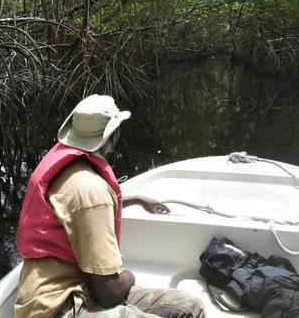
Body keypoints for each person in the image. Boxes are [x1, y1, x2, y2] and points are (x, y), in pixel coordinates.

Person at [15, 94, 205, 318]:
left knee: (189, 306)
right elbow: (109, 292)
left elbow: (79, 211)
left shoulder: (69, 166)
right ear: (112, 136)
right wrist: (129, 276)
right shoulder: (91, 189)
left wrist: (136, 200)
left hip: (77, 288)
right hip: (56, 307)